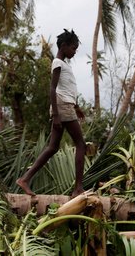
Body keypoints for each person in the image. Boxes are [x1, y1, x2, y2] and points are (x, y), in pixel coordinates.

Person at [16, 29, 86, 198]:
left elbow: (65, 88)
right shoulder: (57, 63)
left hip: (65, 105)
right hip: (62, 107)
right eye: (73, 48)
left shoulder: (64, 64)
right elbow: (53, 88)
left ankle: (25, 179)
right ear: (64, 46)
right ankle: (78, 188)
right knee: (81, 144)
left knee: (53, 147)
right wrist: (56, 115)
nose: (75, 51)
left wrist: (76, 107)